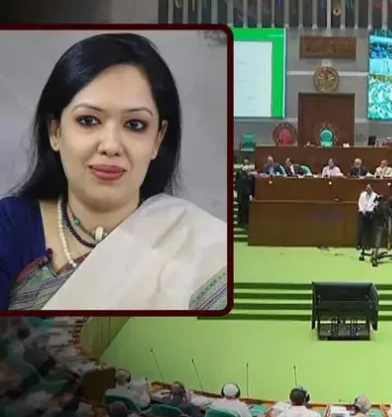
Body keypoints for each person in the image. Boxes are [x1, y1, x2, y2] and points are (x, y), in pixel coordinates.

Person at [0, 33, 226, 311]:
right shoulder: (8, 227)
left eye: (135, 125)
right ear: (55, 131)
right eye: (88, 120)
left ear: (158, 139)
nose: (110, 146)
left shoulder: (199, 245)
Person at [358, 185, 378, 251]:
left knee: (369, 231)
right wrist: (362, 210)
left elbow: (376, 204)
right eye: (367, 188)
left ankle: (368, 245)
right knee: (361, 230)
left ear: (371, 189)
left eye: (369, 188)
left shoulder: (375, 195)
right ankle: (360, 245)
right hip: (362, 213)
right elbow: (360, 203)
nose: (367, 189)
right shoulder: (362, 194)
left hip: (370, 214)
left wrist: (371, 210)